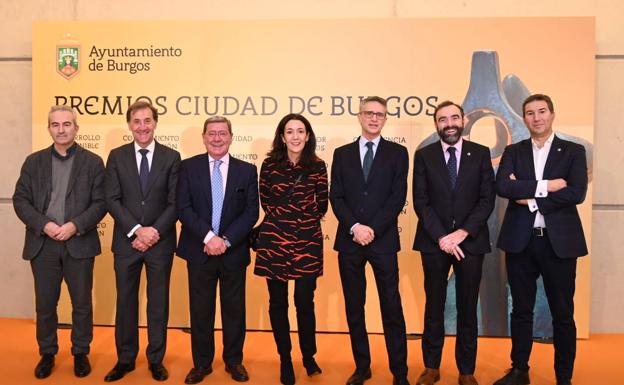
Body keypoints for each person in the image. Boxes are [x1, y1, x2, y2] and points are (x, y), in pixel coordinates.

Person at [493, 94, 588, 385]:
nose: (537, 117)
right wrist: (548, 186)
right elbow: (503, 187)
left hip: (559, 243)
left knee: (563, 313)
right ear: (524, 118)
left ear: (552, 114)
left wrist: (532, 200)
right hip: (521, 241)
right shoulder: (514, 150)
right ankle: (520, 369)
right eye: (530, 113)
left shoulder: (573, 151)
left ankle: (564, 377)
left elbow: (576, 193)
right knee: (521, 309)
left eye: (542, 111)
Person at [13, 105, 106, 379]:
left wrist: (75, 225)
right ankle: (48, 352)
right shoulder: (33, 162)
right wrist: (46, 225)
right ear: (49, 128)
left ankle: (80, 352)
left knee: (81, 304)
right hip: (44, 243)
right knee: (45, 304)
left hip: (79, 241)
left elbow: (101, 203)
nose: (62, 129)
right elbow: (20, 201)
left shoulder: (93, 162)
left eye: (67, 124)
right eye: (56, 124)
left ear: (76, 128)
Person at [412, 101, 495, 385]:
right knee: (433, 305)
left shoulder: (481, 154)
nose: (449, 123)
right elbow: (421, 202)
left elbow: (487, 200)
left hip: (470, 243)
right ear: (436, 124)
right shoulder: (423, 156)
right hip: (433, 242)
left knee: (467, 307)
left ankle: (466, 371)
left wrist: (462, 233)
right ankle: (431, 367)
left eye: (454, 118)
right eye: (442, 119)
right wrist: (442, 237)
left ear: (463, 121)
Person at [329, 96, 410, 385]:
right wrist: (354, 227)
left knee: (392, 307)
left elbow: (397, 197)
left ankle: (399, 372)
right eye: (369, 113)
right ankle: (362, 367)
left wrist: (371, 228)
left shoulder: (398, 153)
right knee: (354, 307)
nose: (374, 118)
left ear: (385, 119)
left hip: (383, 241)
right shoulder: (341, 153)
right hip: (350, 242)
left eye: (380, 114)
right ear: (359, 116)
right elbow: (335, 196)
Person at [176, 116, 258, 384]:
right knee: (201, 310)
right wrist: (209, 237)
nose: (217, 138)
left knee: (234, 310)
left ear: (231, 137)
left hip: (232, 252)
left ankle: (234, 361)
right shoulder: (188, 168)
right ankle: (201, 364)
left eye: (222, 133)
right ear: (203, 137)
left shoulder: (247, 170)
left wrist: (225, 240)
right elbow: (183, 208)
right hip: (199, 250)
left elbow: (250, 213)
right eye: (211, 133)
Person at [104, 100, 181, 382]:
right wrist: (137, 230)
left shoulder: (172, 157)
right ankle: (125, 359)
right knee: (126, 302)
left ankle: (155, 359)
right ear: (129, 125)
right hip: (126, 243)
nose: (142, 127)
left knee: (158, 303)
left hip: (160, 244)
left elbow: (175, 203)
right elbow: (111, 199)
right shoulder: (116, 156)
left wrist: (152, 233)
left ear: (155, 123)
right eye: (137, 122)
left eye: (147, 121)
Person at [254, 114, 328, 385]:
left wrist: (299, 220)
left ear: (308, 136)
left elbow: (322, 205)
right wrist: (287, 220)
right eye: (289, 131)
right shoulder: (269, 165)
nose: (295, 136)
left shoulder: (318, 166)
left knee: (305, 303)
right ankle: (285, 359)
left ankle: (308, 356)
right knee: (278, 303)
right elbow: (266, 201)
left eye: (300, 131)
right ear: (282, 136)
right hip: (275, 242)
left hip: (307, 242)